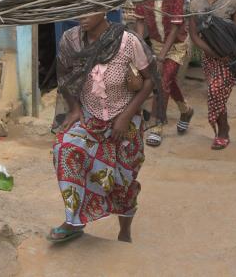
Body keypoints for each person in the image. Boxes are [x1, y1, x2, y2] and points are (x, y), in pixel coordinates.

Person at [48, 12, 155, 244]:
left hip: (124, 122)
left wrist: (125, 116)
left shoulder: (127, 41)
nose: (81, 16)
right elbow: (64, 75)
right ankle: (73, 221)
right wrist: (75, 109)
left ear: (104, 9)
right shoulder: (71, 40)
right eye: (79, 9)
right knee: (65, 149)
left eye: (89, 9)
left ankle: (125, 231)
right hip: (90, 117)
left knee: (123, 180)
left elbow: (149, 80)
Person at [188, 0, 236, 150]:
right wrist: (212, 52)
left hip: (230, 58)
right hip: (210, 58)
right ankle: (223, 130)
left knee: (216, 91)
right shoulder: (195, 5)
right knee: (217, 93)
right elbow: (194, 35)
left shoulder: (231, 2)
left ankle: (222, 131)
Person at [135, 0, 193, 146]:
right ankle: (186, 110)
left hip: (176, 45)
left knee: (162, 80)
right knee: (169, 81)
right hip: (156, 44)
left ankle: (156, 124)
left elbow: (176, 29)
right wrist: (137, 48)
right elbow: (140, 22)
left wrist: (161, 57)